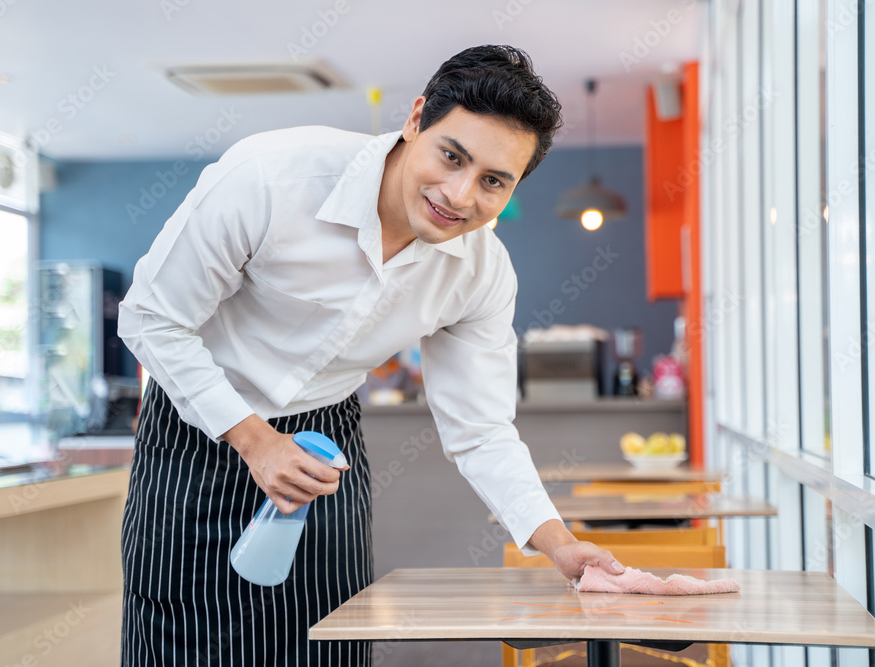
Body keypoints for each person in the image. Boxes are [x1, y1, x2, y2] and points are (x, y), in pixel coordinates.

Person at [117, 44, 624, 667]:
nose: (460, 195)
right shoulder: (272, 176)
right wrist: (254, 440)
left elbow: (482, 430)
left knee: (330, 639)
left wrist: (560, 545)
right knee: (183, 645)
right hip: (196, 433)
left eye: (493, 181)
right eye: (451, 156)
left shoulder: (480, 272)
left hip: (324, 443)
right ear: (415, 120)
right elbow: (149, 317)